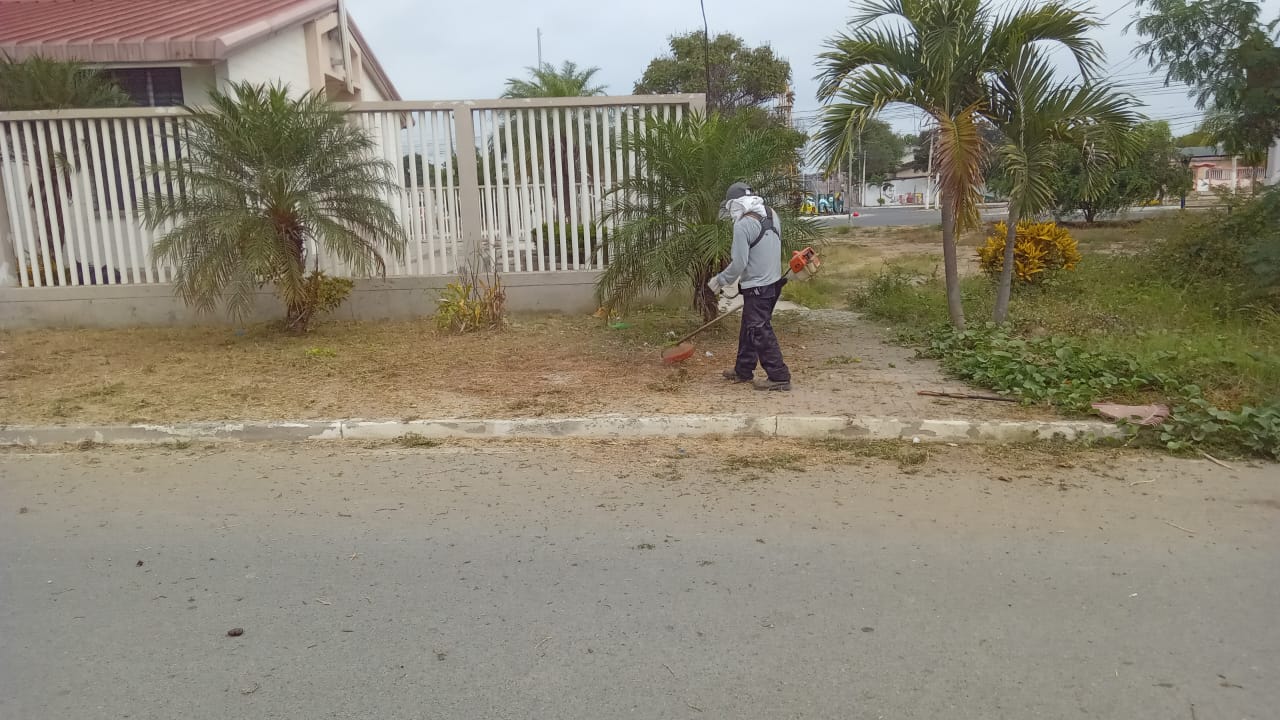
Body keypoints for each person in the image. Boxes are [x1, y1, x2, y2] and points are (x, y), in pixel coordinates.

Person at [707, 182, 791, 391]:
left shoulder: (743, 225)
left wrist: (720, 280)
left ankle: (779, 376)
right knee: (749, 327)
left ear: (735, 204)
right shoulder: (772, 214)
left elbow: (739, 263)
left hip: (757, 287)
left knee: (760, 330)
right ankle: (743, 369)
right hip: (773, 283)